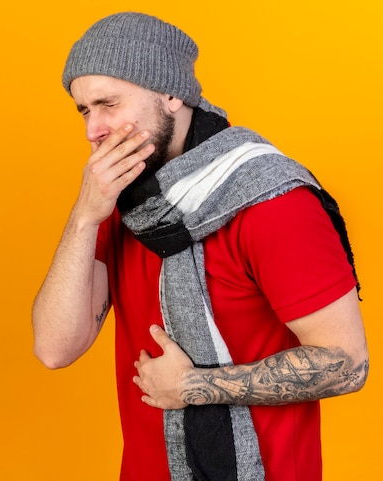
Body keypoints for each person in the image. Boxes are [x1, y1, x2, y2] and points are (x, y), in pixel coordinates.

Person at [31, 12, 368, 481]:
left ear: (171, 94)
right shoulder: (121, 203)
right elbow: (54, 349)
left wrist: (193, 386)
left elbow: (347, 364)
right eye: (85, 110)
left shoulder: (272, 201)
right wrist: (85, 215)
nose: (93, 130)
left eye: (108, 104)